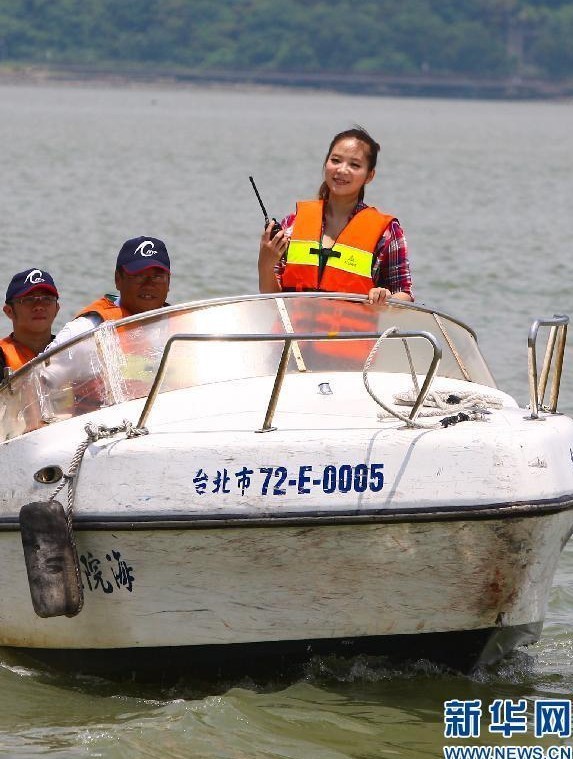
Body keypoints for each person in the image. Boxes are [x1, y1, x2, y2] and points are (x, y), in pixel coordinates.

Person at [257, 126, 413, 304]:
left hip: (354, 332)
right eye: (336, 160)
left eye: (354, 165)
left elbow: (404, 294)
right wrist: (265, 263)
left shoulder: (387, 232)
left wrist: (385, 298)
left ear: (369, 176)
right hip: (294, 331)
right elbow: (270, 301)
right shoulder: (292, 224)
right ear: (326, 164)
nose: (342, 170)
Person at [49, 235, 171, 349]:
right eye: (139, 276)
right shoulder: (87, 329)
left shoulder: (184, 326)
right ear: (118, 279)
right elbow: (39, 371)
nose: (149, 285)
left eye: (157, 277)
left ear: (169, 282)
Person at [0, 268, 60, 375]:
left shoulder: (69, 353)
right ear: (9, 311)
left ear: (57, 309)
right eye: (29, 300)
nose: (39, 307)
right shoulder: (2, 357)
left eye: (47, 299)